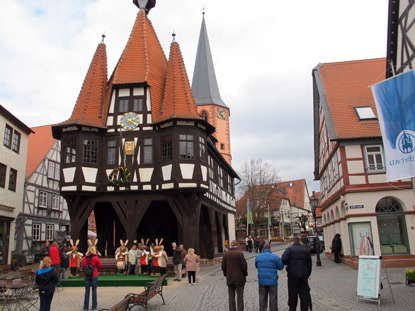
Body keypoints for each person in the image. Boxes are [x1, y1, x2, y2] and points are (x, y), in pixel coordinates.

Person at [281, 236, 312, 311]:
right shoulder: (305, 250)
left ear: (292, 242)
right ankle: (304, 309)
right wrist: (308, 273)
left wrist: (288, 263)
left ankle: (292, 309)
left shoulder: (289, 249)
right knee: (304, 295)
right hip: (303, 276)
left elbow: (283, 260)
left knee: (292, 294)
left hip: (292, 276)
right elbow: (309, 264)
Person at [255, 243, 284, 311]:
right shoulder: (275, 257)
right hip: (272, 281)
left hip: (262, 281)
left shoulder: (258, 257)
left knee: (262, 298)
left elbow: (256, 266)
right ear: (270, 248)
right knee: (273, 298)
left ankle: (262, 309)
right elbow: (281, 267)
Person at [221, 240, 248, 311]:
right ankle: (240, 309)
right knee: (240, 297)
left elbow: (223, 266)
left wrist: (226, 274)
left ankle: (232, 309)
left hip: (230, 278)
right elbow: (244, 266)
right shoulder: (240, 254)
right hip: (239, 278)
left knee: (231, 297)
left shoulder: (226, 254)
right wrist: (245, 274)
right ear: (237, 246)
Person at [82, 246, 102, 311]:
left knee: (87, 291)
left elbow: (83, 266)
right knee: (94, 291)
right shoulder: (96, 258)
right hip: (94, 274)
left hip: (86, 275)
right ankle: (94, 306)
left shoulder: (84, 258)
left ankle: (85, 307)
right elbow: (100, 265)